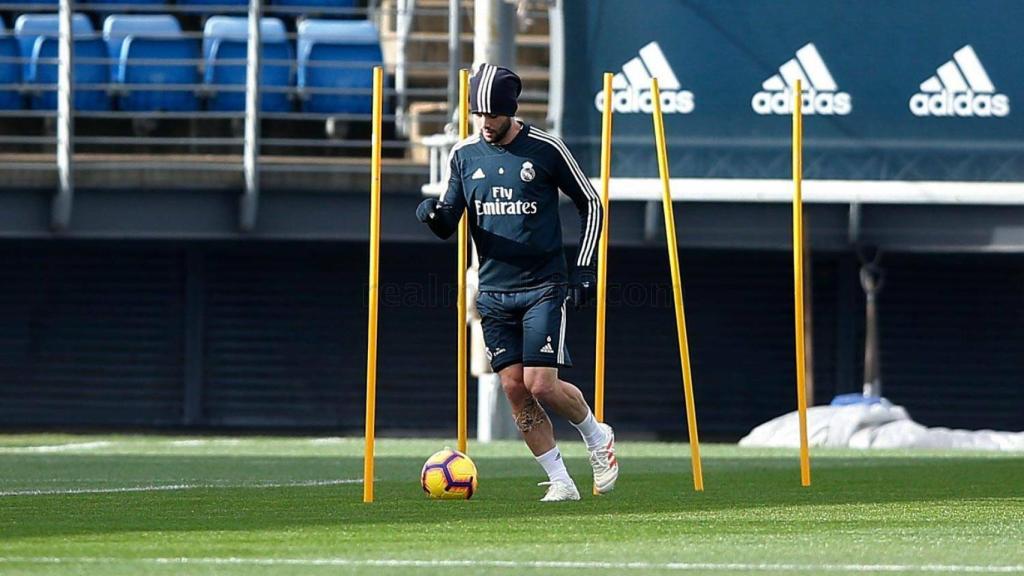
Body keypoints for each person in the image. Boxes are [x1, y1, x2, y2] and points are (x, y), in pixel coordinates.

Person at [416, 63, 617, 501]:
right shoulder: (464, 156)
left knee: (541, 383)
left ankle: (597, 436)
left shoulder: (545, 149)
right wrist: (431, 215)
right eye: (479, 115)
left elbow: (592, 203)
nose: (485, 123)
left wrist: (585, 267)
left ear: (511, 109)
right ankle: (561, 481)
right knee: (513, 387)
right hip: (492, 292)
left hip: (543, 285)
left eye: (493, 114)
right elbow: (449, 219)